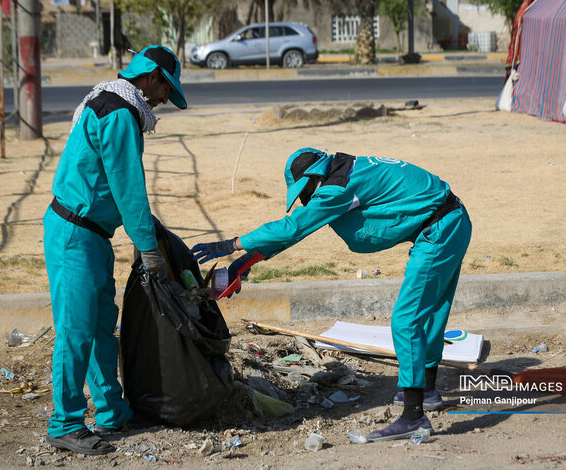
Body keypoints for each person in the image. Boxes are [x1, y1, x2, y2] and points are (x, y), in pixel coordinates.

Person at [191, 148, 472, 441]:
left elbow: (294, 227)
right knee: (431, 313)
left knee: (407, 319)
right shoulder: (346, 172)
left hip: (439, 231)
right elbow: (298, 231)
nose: (305, 200)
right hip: (453, 221)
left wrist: (233, 244)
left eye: (305, 193)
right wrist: (244, 263)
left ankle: (414, 417)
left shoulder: (338, 188)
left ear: (314, 177)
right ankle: (425, 391)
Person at [43, 45, 187, 455]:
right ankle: (65, 423)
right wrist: (149, 248)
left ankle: (110, 411)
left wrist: (150, 230)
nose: (163, 100)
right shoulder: (121, 114)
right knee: (76, 329)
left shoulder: (109, 101)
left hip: (88, 233)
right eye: (164, 89)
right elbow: (128, 187)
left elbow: (119, 187)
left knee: (100, 325)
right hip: (77, 234)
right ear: (152, 76)